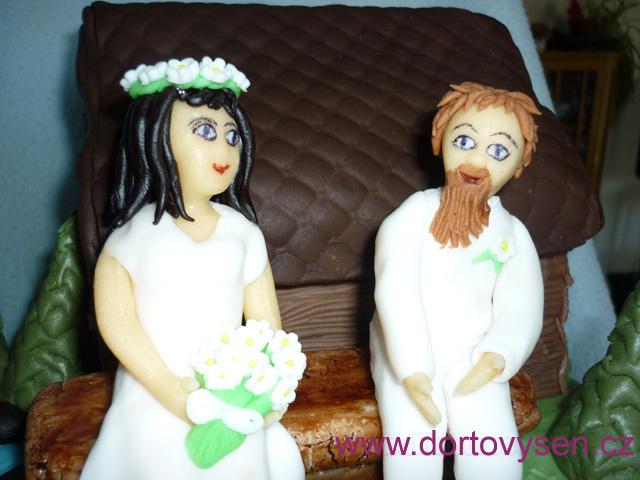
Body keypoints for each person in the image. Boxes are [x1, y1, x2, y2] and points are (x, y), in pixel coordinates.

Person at [81, 57, 304, 480]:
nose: (225, 151)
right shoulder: (131, 239)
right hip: (154, 392)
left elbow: (267, 325)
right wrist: (171, 390)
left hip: (232, 392)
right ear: (154, 138)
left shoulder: (244, 234)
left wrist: (272, 383)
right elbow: (119, 325)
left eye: (232, 136)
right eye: (205, 132)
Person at [370, 82, 544, 479]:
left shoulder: (512, 233)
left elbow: (523, 304)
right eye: (464, 141)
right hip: (407, 350)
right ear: (440, 140)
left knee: (493, 449)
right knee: (414, 442)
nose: (476, 161)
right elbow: (396, 291)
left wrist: (498, 353)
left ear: (519, 164)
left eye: (498, 151)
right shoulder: (412, 216)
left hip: (474, 354)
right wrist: (412, 367)